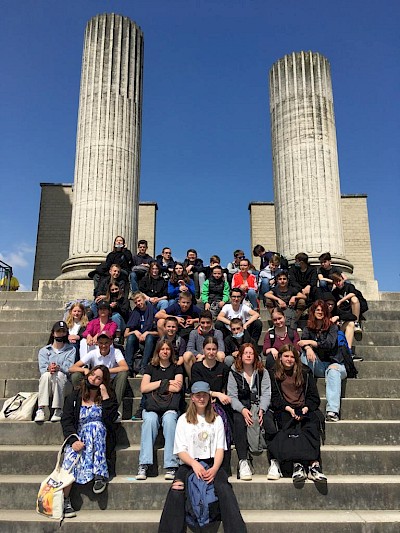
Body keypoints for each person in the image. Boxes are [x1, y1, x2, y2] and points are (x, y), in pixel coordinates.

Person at [158, 381, 247, 533]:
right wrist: (194, 464)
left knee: (224, 488)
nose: (201, 398)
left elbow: (220, 448)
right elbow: (180, 450)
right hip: (189, 463)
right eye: (197, 395)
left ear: (209, 398)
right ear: (192, 398)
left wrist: (214, 469)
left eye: (204, 395)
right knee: (176, 488)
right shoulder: (183, 419)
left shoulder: (217, 419)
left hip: (212, 463)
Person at [61, 365, 119, 518]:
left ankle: (99, 475)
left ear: (103, 382)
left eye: (98, 378)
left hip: (99, 437)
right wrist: (73, 440)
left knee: (97, 426)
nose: (93, 379)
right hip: (78, 436)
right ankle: (64, 500)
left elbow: (110, 420)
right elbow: (66, 420)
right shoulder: (75, 396)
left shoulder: (108, 396)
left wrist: (105, 396)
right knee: (70, 459)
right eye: (93, 375)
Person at [268, 344, 327, 482]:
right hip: (285, 408)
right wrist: (287, 408)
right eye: (286, 356)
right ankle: (298, 465)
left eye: (292, 357)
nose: (289, 359)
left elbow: (314, 397)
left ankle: (314, 465)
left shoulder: (305, 372)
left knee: (310, 426)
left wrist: (306, 408)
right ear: (280, 357)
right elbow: (274, 398)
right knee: (291, 428)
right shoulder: (273, 373)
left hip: (304, 407)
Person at [136, 340, 183, 481]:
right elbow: (143, 388)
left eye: (168, 349)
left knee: (170, 420)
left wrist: (154, 386)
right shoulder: (151, 367)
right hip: (152, 406)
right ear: (158, 351)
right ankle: (144, 464)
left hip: (170, 406)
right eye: (162, 349)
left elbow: (177, 388)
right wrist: (164, 382)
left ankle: (171, 465)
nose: (165, 351)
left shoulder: (176, 368)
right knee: (150, 420)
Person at [227, 343, 271, 481]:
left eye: (251, 353)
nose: (248, 355)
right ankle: (243, 461)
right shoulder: (233, 372)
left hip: (259, 405)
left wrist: (262, 409)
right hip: (241, 406)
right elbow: (232, 396)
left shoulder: (263, 372)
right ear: (240, 356)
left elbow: (266, 393)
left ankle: (274, 461)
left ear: (255, 356)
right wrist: (243, 410)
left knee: (269, 421)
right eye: (245, 353)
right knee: (238, 420)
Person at [298, 300, 345, 422]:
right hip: (319, 365)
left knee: (333, 372)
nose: (320, 312)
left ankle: (332, 411)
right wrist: (308, 348)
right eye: (317, 310)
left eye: (322, 310)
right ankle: (303, 399)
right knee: (304, 356)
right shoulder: (308, 328)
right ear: (313, 312)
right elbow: (302, 342)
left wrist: (311, 343)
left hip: (335, 363)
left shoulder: (332, 327)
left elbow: (329, 344)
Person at [191, 336, 232, 474]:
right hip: (200, 403)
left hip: (218, 404)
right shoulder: (197, 367)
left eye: (214, 349)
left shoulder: (223, 368)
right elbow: (196, 389)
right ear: (203, 350)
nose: (211, 352)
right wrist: (215, 394)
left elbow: (225, 390)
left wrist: (219, 396)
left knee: (223, 421)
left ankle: (222, 465)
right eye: (208, 349)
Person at [69, 332, 128, 420]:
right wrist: (84, 370)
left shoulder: (116, 352)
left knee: (123, 374)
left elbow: (125, 367)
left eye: (106, 343)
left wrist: (105, 372)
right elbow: (72, 368)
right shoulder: (93, 353)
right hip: (96, 382)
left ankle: (115, 409)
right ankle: (82, 404)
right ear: (97, 343)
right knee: (75, 376)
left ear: (111, 342)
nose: (103, 346)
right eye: (101, 343)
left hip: (110, 381)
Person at [34, 321, 76, 423]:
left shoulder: (71, 349)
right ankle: (42, 408)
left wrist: (58, 368)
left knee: (60, 374)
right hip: (49, 381)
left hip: (64, 383)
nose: (60, 334)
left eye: (63, 331)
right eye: (58, 331)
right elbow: (42, 369)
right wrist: (49, 368)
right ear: (53, 333)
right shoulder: (44, 351)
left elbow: (69, 368)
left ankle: (58, 409)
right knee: (46, 375)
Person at [124, 292, 159, 376]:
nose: (138, 303)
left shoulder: (153, 310)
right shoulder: (135, 312)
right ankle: (128, 368)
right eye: (136, 302)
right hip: (138, 339)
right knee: (131, 338)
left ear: (144, 299)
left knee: (149, 337)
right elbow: (125, 334)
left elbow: (159, 332)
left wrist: (147, 332)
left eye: (139, 300)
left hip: (151, 338)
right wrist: (134, 331)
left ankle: (144, 367)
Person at [183, 311, 225, 379]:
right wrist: (200, 356)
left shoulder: (217, 333)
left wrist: (207, 355)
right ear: (199, 322)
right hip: (199, 359)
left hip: (213, 358)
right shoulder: (194, 333)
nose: (205, 325)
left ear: (212, 322)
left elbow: (221, 349)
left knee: (221, 355)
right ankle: (192, 380)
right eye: (203, 322)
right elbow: (189, 348)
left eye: (208, 322)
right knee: (187, 355)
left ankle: (217, 379)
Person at [331, 272, 366, 341]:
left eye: (339, 281)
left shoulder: (349, 286)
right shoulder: (334, 292)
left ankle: (356, 323)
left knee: (354, 299)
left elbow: (353, 293)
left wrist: (341, 301)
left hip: (352, 309)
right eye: (336, 282)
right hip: (343, 313)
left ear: (343, 279)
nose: (338, 283)